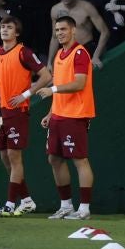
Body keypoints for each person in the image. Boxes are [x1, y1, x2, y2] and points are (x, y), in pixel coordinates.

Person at [34, 14, 96, 220]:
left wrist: (53, 89)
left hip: (76, 114)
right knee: (54, 158)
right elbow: (60, 88)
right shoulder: (60, 54)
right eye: (57, 30)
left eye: (63, 29)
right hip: (59, 115)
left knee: (79, 160)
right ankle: (66, 205)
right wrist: (51, 113)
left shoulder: (80, 53)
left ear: (73, 30)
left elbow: (79, 83)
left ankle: (84, 208)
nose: (60, 33)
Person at [0, 13, 43, 215]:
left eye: (9, 27)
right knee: (4, 157)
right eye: (3, 27)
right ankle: (27, 200)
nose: (5, 30)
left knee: (14, 156)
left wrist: (26, 94)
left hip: (16, 111)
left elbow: (46, 76)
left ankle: (10, 203)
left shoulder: (24, 52)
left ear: (17, 32)